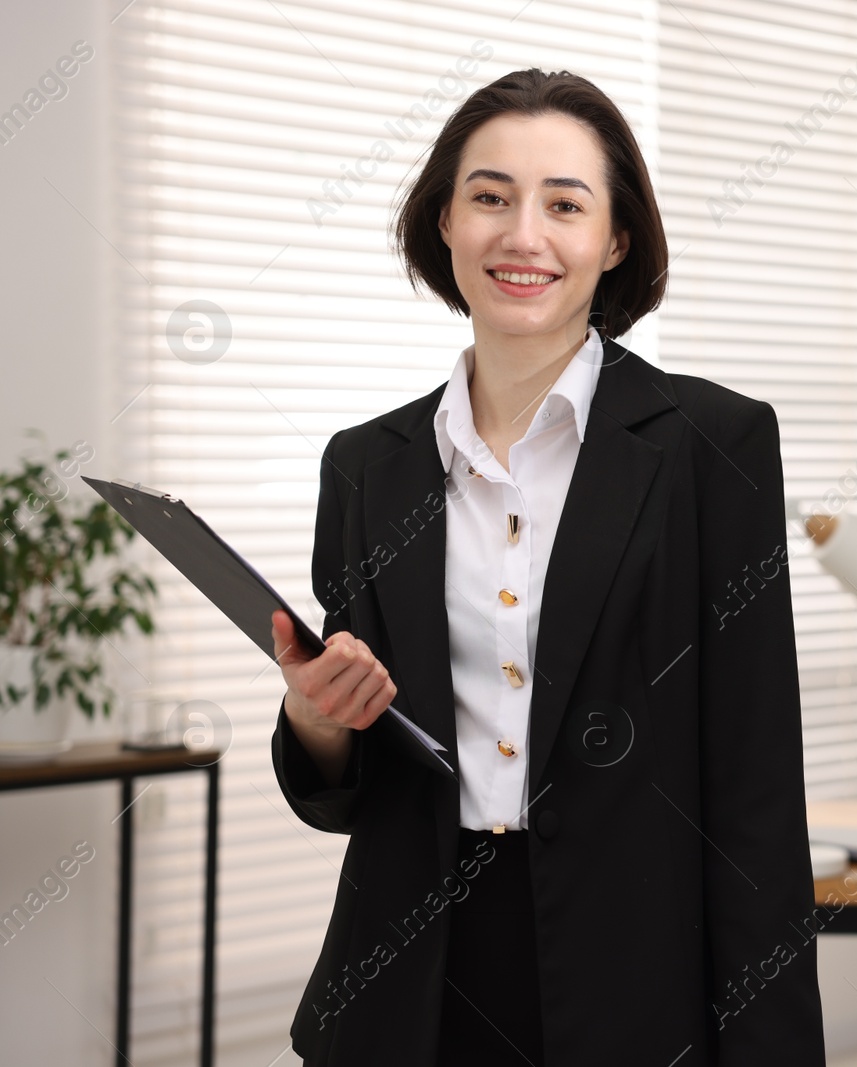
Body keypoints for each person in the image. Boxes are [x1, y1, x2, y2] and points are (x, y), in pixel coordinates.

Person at [268, 67, 824, 1066]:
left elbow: (754, 795)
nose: (523, 235)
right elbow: (351, 792)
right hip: (406, 983)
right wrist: (317, 718)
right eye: (489, 197)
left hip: (636, 984)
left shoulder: (715, 445)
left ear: (614, 240)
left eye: (564, 204)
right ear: (445, 221)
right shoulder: (365, 467)